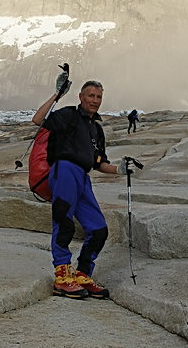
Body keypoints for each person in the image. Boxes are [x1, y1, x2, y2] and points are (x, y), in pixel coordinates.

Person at [32, 75, 131, 299]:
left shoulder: (96, 129)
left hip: (83, 178)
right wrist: (57, 94)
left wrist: (120, 170)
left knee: (99, 229)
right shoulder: (68, 115)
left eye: (98, 97)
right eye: (90, 96)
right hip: (64, 171)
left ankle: (82, 274)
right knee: (64, 221)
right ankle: (62, 277)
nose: (95, 100)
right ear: (81, 97)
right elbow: (38, 120)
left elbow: (99, 163)